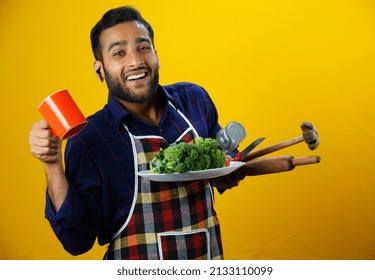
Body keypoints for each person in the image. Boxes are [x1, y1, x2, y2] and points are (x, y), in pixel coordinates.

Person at [29, 6, 245, 260]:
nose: (135, 61)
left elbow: (224, 161)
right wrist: (52, 165)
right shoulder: (89, 138)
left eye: (143, 47)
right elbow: (77, 242)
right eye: (119, 53)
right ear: (100, 70)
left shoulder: (194, 101)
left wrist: (230, 171)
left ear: (156, 55)